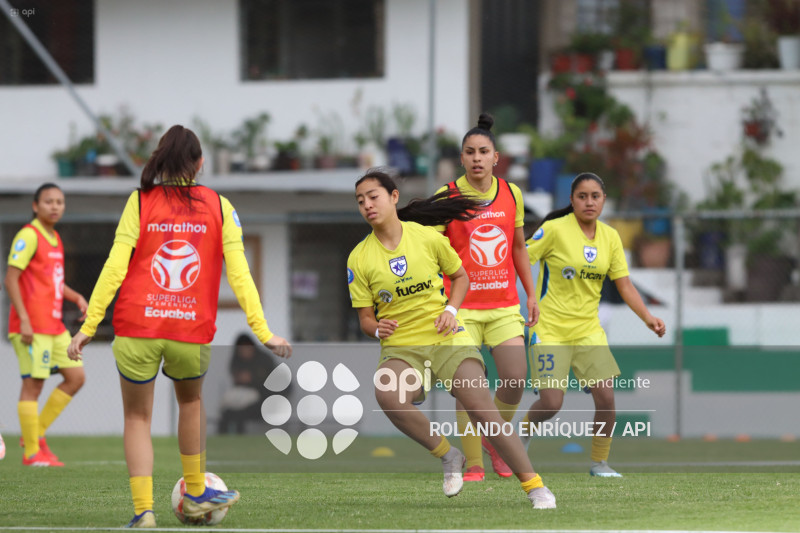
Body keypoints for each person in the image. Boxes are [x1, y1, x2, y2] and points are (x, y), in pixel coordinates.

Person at [67, 125, 292, 528]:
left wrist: (89, 325)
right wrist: (264, 332)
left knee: (138, 419)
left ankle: (144, 513)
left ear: (161, 160)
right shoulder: (221, 207)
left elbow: (115, 267)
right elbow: (240, 276)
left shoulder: (140, 201)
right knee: (191, 403)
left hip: (137, 325)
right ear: (200, 163)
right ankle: (196, 490)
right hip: (190, 329)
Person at [347, 169, 555, 509]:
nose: (367, 205)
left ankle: (536, 487)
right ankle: (449, 455)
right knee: (387, 393)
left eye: (374, 196)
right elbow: (366, 319)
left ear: (393, 197)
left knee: (484, 412)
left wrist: (453, 310)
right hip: (402, 349)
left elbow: (460, 277)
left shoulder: (426, 237)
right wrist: (376, 329)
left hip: (447, 338)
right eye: (360, 201)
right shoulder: (358, 258)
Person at [520, 172, 666, 477]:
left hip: (588, 330)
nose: (589, 202)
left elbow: (624, 286)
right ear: (572, 200)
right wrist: (527, 296)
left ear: (603, 201)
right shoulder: (554, 230)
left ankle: (600, 463)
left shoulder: (610, 237)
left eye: (595, 196)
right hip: (549, 328)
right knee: (551, 403)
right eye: (582, 196)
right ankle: (522, 433)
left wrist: (648, 318)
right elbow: (518, 256)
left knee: (607, 398)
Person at [436, 113, 538, 481]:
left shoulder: (512, 194)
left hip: (504, 305)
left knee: (515, 378)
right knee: (469, 389)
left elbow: (518, 247)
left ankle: (496, 441)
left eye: (483, 151)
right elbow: (425, 249)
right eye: (469, 152)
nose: (477, 158)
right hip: (460, 308)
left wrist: (532, 295)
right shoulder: (446, 197)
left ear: (496, 157)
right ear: (461, 159)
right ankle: (475, 463)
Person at [5, 183, 88, 467]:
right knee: (34, 386)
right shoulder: (28, 235)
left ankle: (35, 434)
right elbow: (10, 279)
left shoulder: (55, 238)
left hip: (53, 326)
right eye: (49, 201)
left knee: (76, 377)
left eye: (60, 202)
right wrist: (24, 319)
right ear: (35, 205)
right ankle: (31, 454)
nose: (55, 206)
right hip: (31, 327)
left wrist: (76, 296)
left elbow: (52, 281)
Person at [218, 333, 284, 434]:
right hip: (245, 397)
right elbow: (235, 379)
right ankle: (223, 438)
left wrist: (252, 379)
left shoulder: (264, 360)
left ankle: (241, 437)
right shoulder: (237, 361)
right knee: (228, 412)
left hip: (264, 399)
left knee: (240, 414)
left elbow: (273, 384)